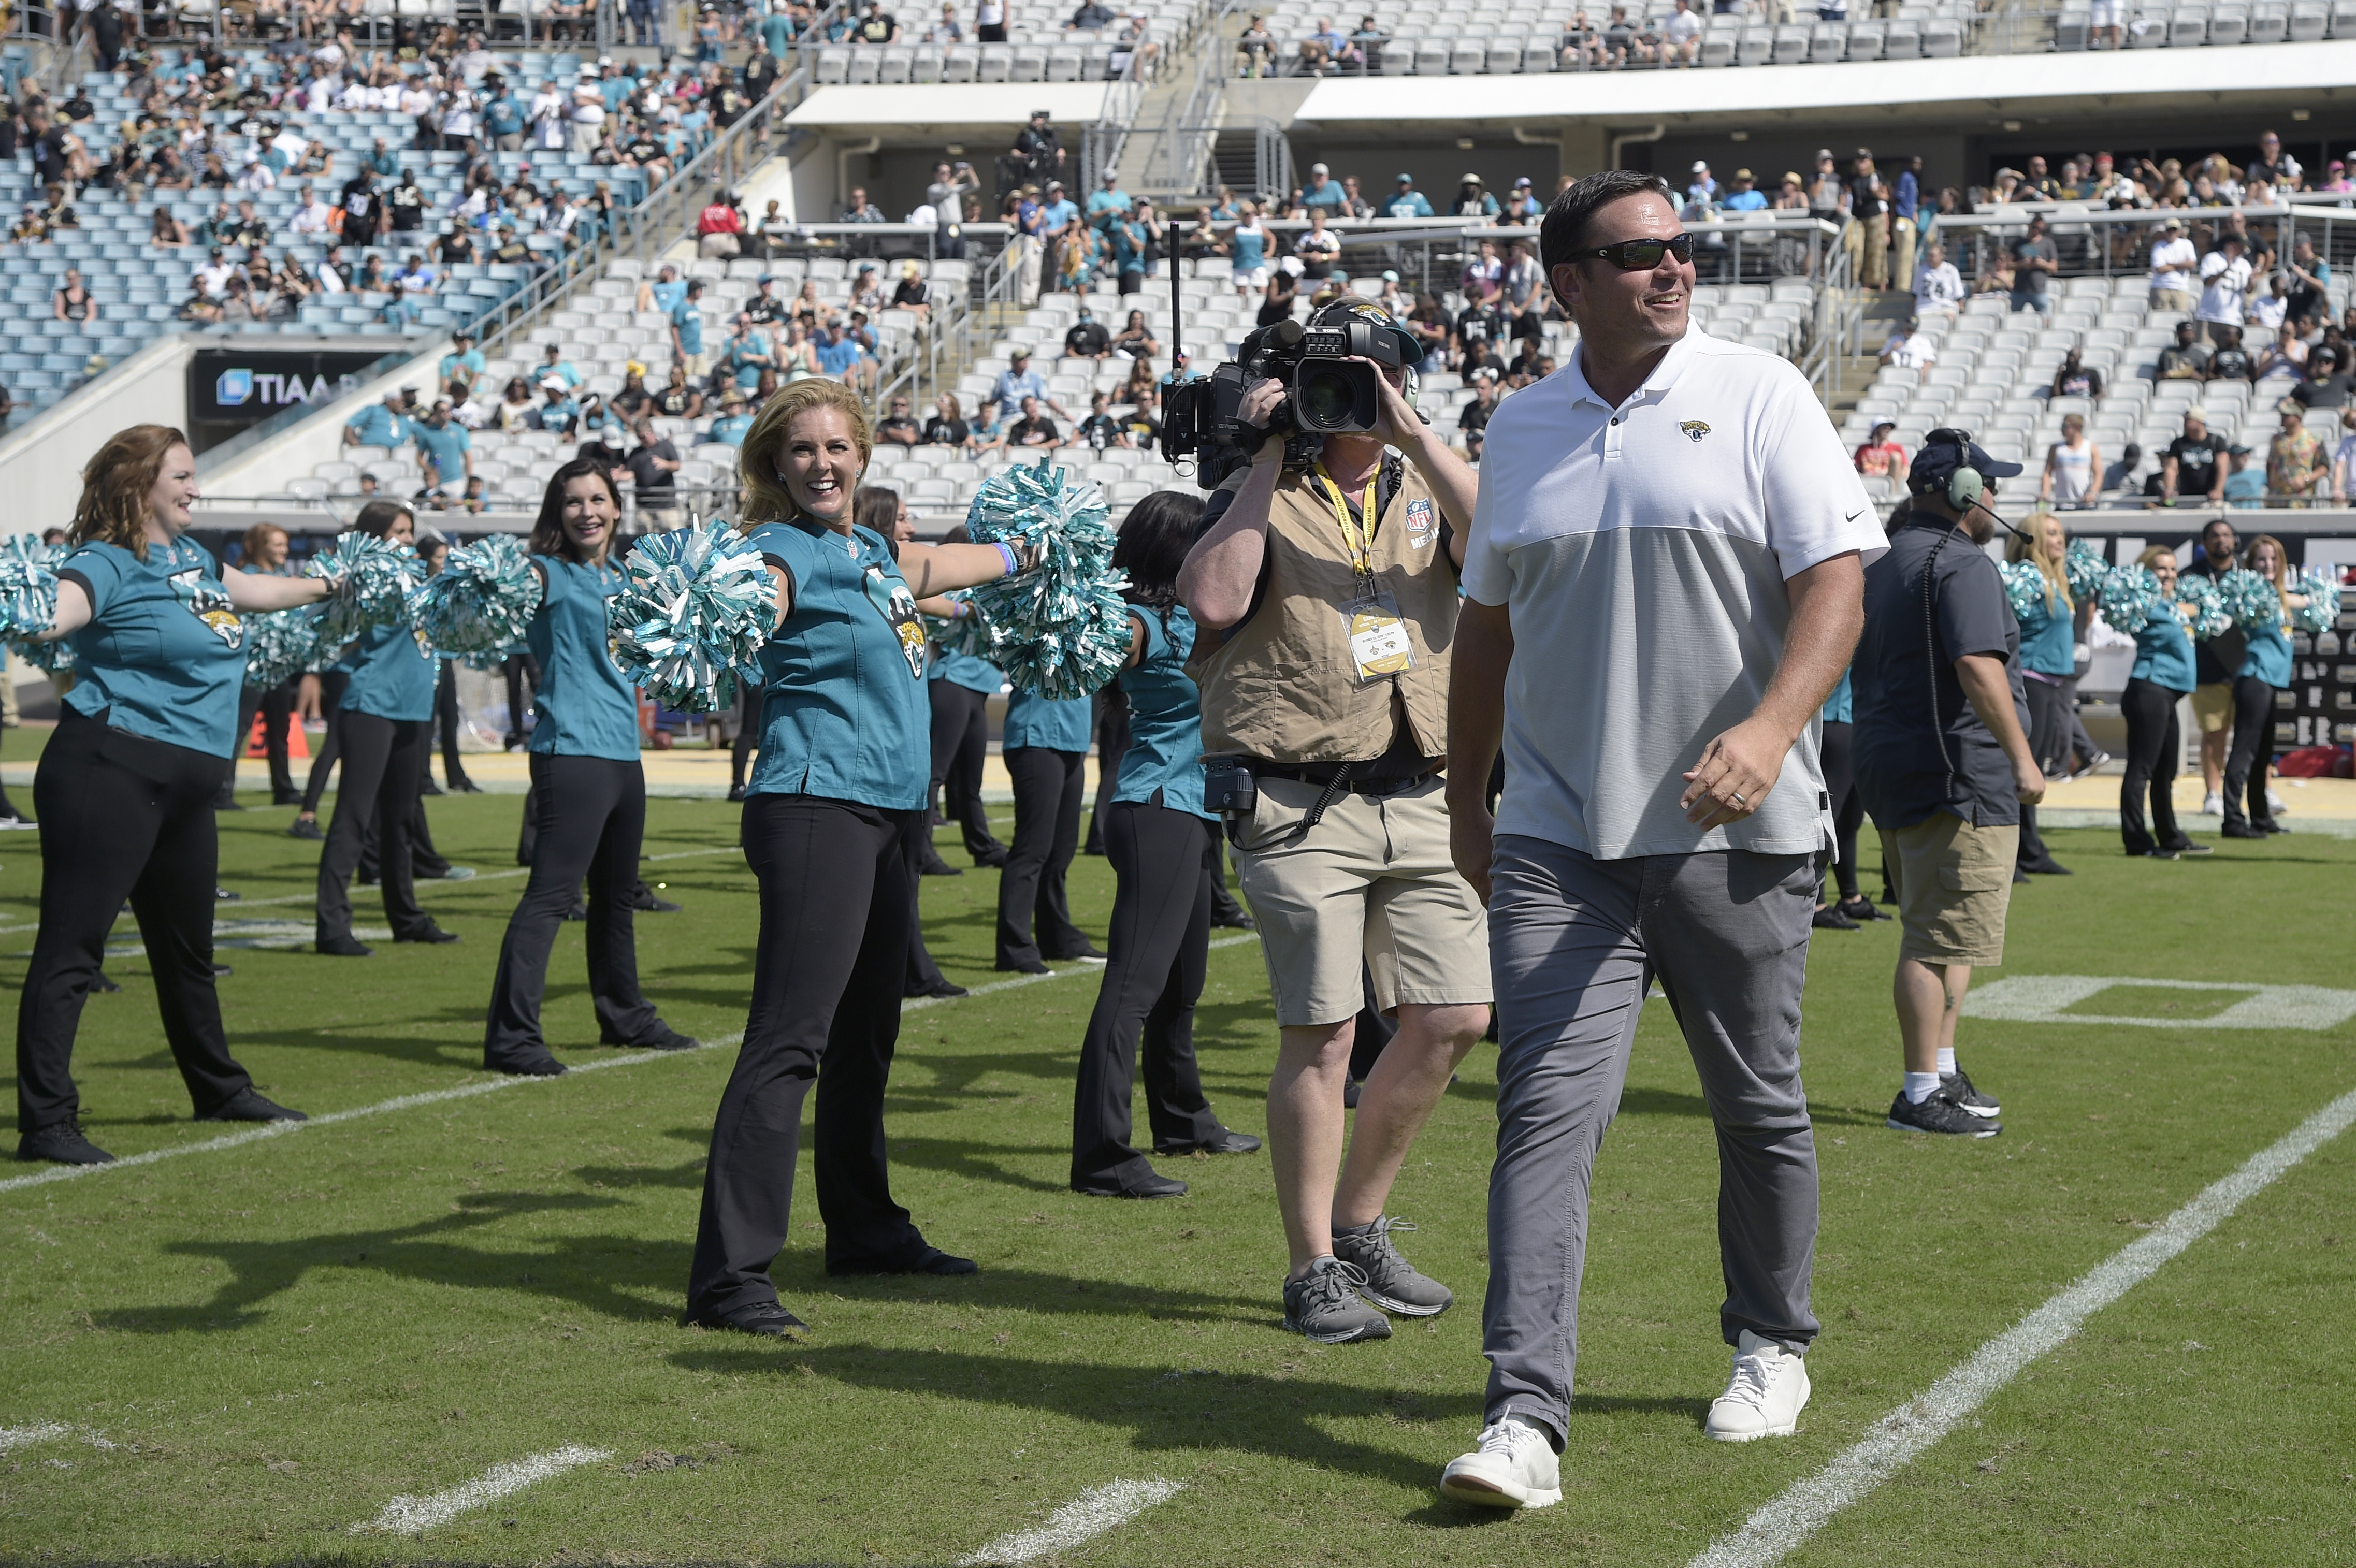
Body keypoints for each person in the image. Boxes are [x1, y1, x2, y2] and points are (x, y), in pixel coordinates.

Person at [1434, 170, 1878, 1510]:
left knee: (1754, 1102)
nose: (1667, 269)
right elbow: (1483, 635)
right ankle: (1522, 1414)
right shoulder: (1518, 430)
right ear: (1566, 281)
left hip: (1734, 828)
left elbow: (1834, 590)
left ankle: (1769, 1337)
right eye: (1634, 254)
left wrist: (1766, 729)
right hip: (1557, 832)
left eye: (1678, 248)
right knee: (1543, 1118)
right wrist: (1467, 803)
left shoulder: (1761, 394)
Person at [684, 380, 1050, 1337]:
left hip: (889, 812)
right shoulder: (775, 552)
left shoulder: (868, 550)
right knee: (789, 1040)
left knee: (867, 1037)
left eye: (837, 448)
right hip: (815, 804)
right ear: (773, 464)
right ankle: (730, 1275)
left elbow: (933, 566)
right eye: (800, 450)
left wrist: (1028, 549)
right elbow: (755, 601)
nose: (821, 464)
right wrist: (730, 612)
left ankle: (864, 1230)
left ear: (862, 459)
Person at [1177, 293, 1484, 1346]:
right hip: (1299, 796)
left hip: (1428, 790)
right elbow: (1214, 603)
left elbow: (1506, 543)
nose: (1346, 397)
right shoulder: (1251, 488)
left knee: (1453, 1017)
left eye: (1367, 375)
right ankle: (1310, 1262)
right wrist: (1267, 453)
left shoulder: (1420, 480)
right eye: (1330, 379)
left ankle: (1358, 1223)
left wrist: (1412, 433)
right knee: (1325, 1035)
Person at [15, 425, 330, 1165]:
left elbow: (251, 591)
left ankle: (218, 1088)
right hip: (110, 770)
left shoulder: (192, 559)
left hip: (188, 785)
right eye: (183, 477)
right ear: (139, 484)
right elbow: (59, 613)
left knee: (188, 951)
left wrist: (333, 583)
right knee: (73, 950)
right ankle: (47, 1122)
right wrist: (31, 610)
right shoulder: (103, 561)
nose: (196, 489)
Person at [1069, 492, 1261, 1196]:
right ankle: (1102, 1155)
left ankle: (1183, 1120)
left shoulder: (1192, 612)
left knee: (1183, 986)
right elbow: (1088, 652)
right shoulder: (1139, 621)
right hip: (1156, 808)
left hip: (1188, 809)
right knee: (1133, 989)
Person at [483, 459, 697, 1077]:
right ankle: (511, 1039)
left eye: (598, 499)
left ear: (616, 508)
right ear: (558, 512)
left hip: (623, 755)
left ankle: (624, 1015)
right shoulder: (547, 573)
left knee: (615, 899)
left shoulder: (627, 578)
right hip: (571, 751)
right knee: (550, 897)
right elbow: (504, 583)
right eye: (573, 501)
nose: (587, 511)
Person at [1852, 430, 2037, 1143]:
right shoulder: (1961, 565)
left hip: (1899, 769)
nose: (1995, 499)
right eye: (1988, 484)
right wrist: (2022, 759)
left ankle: (1943, 1066)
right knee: (1934, 938)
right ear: (1962, 492)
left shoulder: (1885, 561)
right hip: (1958, 776)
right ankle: (1919, 1091)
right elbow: (1977, 667)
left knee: (1947, 931)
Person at [312, 500, 462, 959]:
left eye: (408, 531)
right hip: (372, 703)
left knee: (402, 820)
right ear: (374, 537)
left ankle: (406, 918)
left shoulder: (419, 578)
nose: (406, 540)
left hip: (414, 708)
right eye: (398, 531)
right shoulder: (366, 578)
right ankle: (332, 926)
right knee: (354, 817)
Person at [994, 681, 1105, 974]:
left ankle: (1057, 938)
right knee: (1032, 848)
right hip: (1036, 735)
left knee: (1062, 850)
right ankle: (1013, 949)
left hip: (1075, 736)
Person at [2116, 547, 2207, 861]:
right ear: (2145, 573)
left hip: (2166, 695)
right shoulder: (2147, 604)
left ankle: (2170, 836)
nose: (2168, 575)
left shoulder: (2170, 604)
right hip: (2149, 689)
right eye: (2160, 569)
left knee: (2166, 770)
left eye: (2172, 569)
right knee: (2141, 769)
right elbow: (2187, 610)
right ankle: (2137, 842)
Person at [2220, 535, 2309, 840]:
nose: (2269, 565)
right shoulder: (2252, 595)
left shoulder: (2278, 594)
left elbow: (2298, 602)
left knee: (2263, 754)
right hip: (2255, 678)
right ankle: (2232, 820)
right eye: (2262, 559)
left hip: (2271, 680)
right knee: (2244, 752)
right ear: (2251, 565)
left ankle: (2260, 817)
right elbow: (2295, 602)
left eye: (2274, 559)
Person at [2004, 512, 2077, 876]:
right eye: (2049, 533)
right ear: (2031, 539)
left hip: (2051, 682)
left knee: (2036, 770)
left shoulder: (2055, 579)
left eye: (2060, 533)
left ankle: (2029, 848)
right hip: (2030, 680)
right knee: (2021, 770)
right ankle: (2015, 853)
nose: (2058, 539)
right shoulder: (2025, 579)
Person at [218, 523, 305, 810]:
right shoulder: (246, 579)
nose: (284, 550)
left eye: (285, 544)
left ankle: (284, 788)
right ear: (258, 546)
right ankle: (223, 792)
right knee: (238, 729)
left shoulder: (287, 579)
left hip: (279, 667)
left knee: (280, 731)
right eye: (277, 544)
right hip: (251, 667)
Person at [2180, 517, 2241, 814]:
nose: (2222, 540)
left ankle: (2262, 790)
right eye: (2215, 536)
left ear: (2235, 540)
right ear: (2204, 544)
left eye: (2226, 535)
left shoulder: (2248, 576)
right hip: (2208, 668)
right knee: (2214, 734)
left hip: (2247, 669)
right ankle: (2213, 794)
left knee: (2250, 734)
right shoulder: (2190, 577)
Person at [2038, 412, 2099, 510]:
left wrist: (2092, 493)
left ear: (2077, 428)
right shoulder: (2056, 448)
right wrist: (2045, 492)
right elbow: (2047, 473)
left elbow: (2098, 474)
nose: (2062, 429)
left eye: (2065, 426)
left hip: (2084, 504)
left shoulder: (2090, 448)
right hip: (2062, 504)